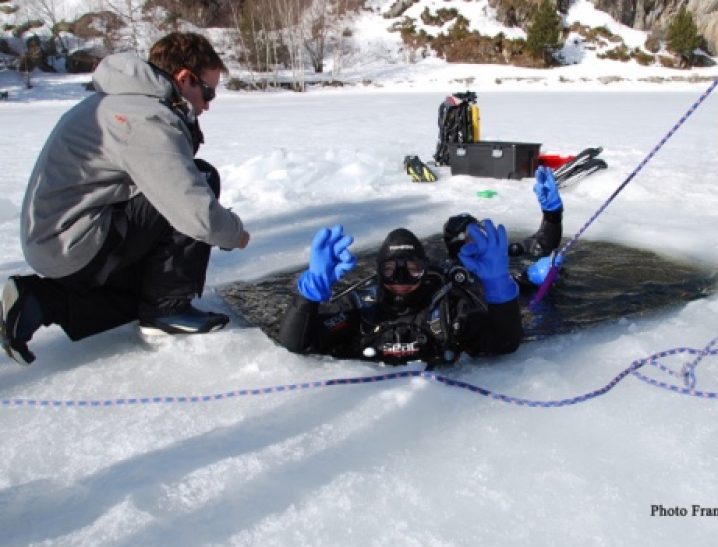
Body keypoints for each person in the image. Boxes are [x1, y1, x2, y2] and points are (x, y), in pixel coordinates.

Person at [1, 32, 249, 365]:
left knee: (143, 289)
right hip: (73, 243)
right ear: (183, 78)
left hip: (57, 241)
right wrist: (235, 232)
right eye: (207, 92)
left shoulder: (123, 101)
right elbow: (193, 210)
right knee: (201, 180)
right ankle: (167, 311)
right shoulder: (146, 117)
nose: (206, 105)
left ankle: (39, 301)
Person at [277, 220, 522, 367]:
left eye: (413, 269)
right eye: (391, 269)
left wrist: (498, 284)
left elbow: (503, 344)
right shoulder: (360, 308)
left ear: (426, 271)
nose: (401, 280)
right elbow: (296, 343)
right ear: (379, 272)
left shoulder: (448, 308)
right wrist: (308, 295)